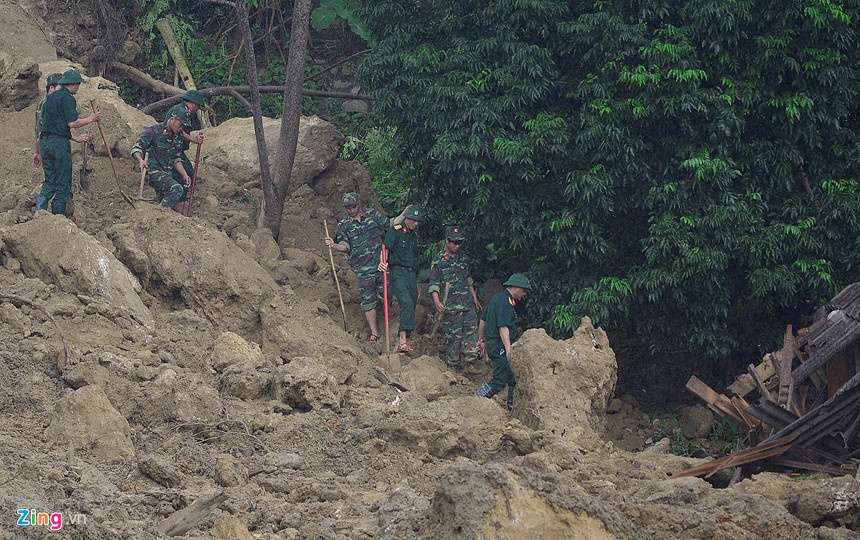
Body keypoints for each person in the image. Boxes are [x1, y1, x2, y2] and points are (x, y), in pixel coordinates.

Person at [324, 193, 407, 343]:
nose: (351, 210)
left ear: (359, 204)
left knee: (386, 294)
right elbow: (345, 246)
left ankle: (388, 325)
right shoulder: (344, 225)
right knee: (368, 300)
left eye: (353, 206)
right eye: (348, 208)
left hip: (380, 264)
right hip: (362, 270)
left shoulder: (372, 215)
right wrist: (333, 245)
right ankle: (375, 333)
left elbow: (390, 224)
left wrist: (404, 214)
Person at [35, 69, 101, 215]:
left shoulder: (49, 99)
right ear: (74, 84)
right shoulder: (68, 98)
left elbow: (48, 123)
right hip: (59, 145)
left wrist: (74, 138)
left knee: (50, 180)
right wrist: (92, 118)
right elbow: (72, 123)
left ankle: (40, 212)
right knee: (63, 181)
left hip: (45, 144)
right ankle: (59, 217)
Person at [428, 225, 482, 370]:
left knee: (471, 334)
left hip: (467, 304)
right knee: (454, 338)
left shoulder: (463, 258)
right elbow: (433, 284)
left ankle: (472, 364)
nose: (457, 246)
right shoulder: (438, 261)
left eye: (460, 243)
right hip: (451, 307)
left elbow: (467, 279)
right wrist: (437, 302)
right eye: (454, 242)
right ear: (446, 240)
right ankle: (453, 367)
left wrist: (474, 298)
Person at [474, 273, 530, 411]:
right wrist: (509, 350)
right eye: (524, 290)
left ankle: (512, 408)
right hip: (500, 346)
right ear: (517, 288)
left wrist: (481, 340)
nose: (524, 294)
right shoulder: (505, 302)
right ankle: (475, 401)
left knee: (512, 378)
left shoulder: (497, 298)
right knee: (499, 380)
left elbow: (483, 320)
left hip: (494, 345)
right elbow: (503, 328)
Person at [131, 108, 202, 212]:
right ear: (172, 119)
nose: (181, 128)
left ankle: (159, 220)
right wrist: (140, 160)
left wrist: (184, 175)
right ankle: (161, 214)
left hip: (166, 174)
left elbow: (176, 159)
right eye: (180, 125)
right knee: (177, 189)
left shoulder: (178, 136)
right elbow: (137, 148)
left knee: (163, 199)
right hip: (152, 171)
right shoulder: (154, 130)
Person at [378, 204, 424, 354]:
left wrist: (416, 283)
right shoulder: (395, 231)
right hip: (397, 271)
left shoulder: (413, 237)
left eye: (418, 221)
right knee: (406, 302)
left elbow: (412, 260)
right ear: (407, 218)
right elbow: (385, 248)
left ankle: (400, 344)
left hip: (410, 274)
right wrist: (382, 263)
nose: (416, 223)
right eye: (413, 220)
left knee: (413, 301)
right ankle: (403, 340)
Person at [163, 89, 205, 214]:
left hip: (174, 149)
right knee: (185, 177)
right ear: (193, 104)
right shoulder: (182, 111)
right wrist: (193, 139)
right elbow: (179, 131)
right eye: (198, 107)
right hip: (173, 149)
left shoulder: (179, 109)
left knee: (183, 176)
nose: (197, 110)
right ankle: (177, 211)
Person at [27, 72, 63, 207]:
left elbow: (38, 131)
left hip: (44, 145)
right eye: (61, 88)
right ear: (51, 88)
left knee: (50, 179)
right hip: (55, 146)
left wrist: (37, 152)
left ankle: (39, 208)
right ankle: (56, 212)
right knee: (60, 180)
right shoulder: (54, 103)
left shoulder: (40, 104)